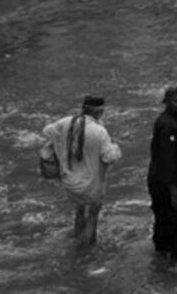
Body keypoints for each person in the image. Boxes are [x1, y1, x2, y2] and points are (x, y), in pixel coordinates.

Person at [42, 96, 122, 247]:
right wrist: (116, 148)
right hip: (90, 186)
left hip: (69, 182)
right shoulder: (99, 131)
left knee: (79, 211)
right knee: (92, 215)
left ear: (83, 108)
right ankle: (86, 253)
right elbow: (109, 157)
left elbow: (47, 131)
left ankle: (78, 239)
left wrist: (62, 146)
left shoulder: (65, 122)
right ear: (100, 112)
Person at [147, 86, 177, 263]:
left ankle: (161, 260)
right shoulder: (167, 125)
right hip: (167, 186)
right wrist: (174, 191)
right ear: (167, 102)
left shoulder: (175, 120)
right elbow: (167, 161)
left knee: (164, 222)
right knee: (176, 224)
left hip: (166, 184)